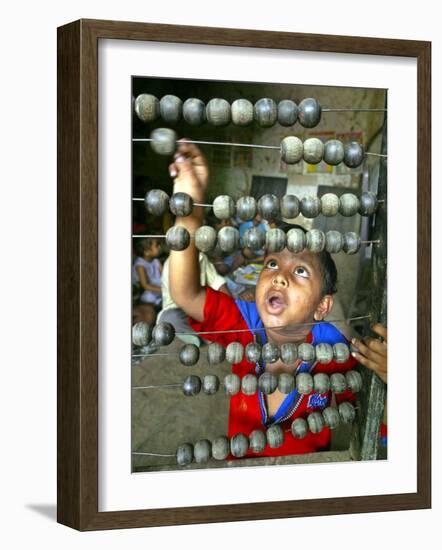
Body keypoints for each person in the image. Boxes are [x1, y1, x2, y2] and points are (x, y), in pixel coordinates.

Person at [168, 141, 387, 458]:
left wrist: (394, 377)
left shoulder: (337, 354)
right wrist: (188, 212)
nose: (280, 275)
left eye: (300, 270)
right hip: (241, 475)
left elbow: (378, 425)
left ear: (322, 307)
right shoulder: (242, 324)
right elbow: (185, 293)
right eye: (271, 264)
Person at [157, 252, 230, 346]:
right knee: (169, 318)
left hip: (201, 304)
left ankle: (200, 335)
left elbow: (216, 282)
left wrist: (230, 306)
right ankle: (202, 336)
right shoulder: (172, 263)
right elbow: (183, 300)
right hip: (180, 309)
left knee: (219, 308)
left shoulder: (201, 257)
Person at [132, 236, 163, 326]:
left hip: (158, 285)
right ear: (147, 252)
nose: (160, 247)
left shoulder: (156, 261)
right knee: (149, 297)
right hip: (147, 290)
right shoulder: (140, 265)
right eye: (157, 246)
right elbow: (145, 285)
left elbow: (165, 274)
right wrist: (162, 290)